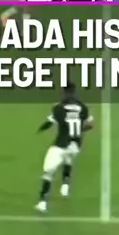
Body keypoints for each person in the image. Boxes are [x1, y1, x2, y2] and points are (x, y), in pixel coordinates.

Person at [35, 82, 93, 213]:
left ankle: (42, 202)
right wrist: (79, 129)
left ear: (65, 93)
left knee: (48, 173)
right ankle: (65, 185)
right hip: (76, 145)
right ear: (74, 92)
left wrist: (40, 129)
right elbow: (90, 125)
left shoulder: (59, 108)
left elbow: (49, 123)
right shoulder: (83, 107)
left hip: (60, 145)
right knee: (68, 159)